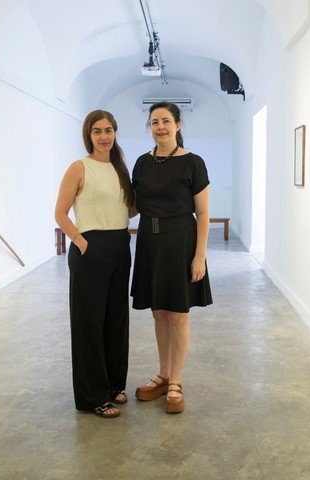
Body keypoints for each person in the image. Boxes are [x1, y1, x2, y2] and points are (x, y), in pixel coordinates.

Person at [130, 102, 213, 414]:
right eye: (154, 122)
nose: (160, 127)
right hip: (149, 242)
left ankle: (175, 380)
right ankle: (162, 375)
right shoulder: (141, 163)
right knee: (159, 312)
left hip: (181, 242)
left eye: (166, 121)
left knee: (178, 313)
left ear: (178, 125)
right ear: (149, 128)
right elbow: (133, 206)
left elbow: (203, 214)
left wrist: (199, 257)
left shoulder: (193, 163)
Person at [54, 110, 134, 418]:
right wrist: (81, 241)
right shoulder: (79, 167)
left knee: (116, 321)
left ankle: (114, 385)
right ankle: (93, 397)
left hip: (119, 247)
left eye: (109, 130)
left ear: (115, 132)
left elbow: (127, 208)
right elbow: (60, 214)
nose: (104, 136)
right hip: (91, 250)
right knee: (90, 324)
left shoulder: (119, 168)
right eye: (97, 131)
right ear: (89, 135)